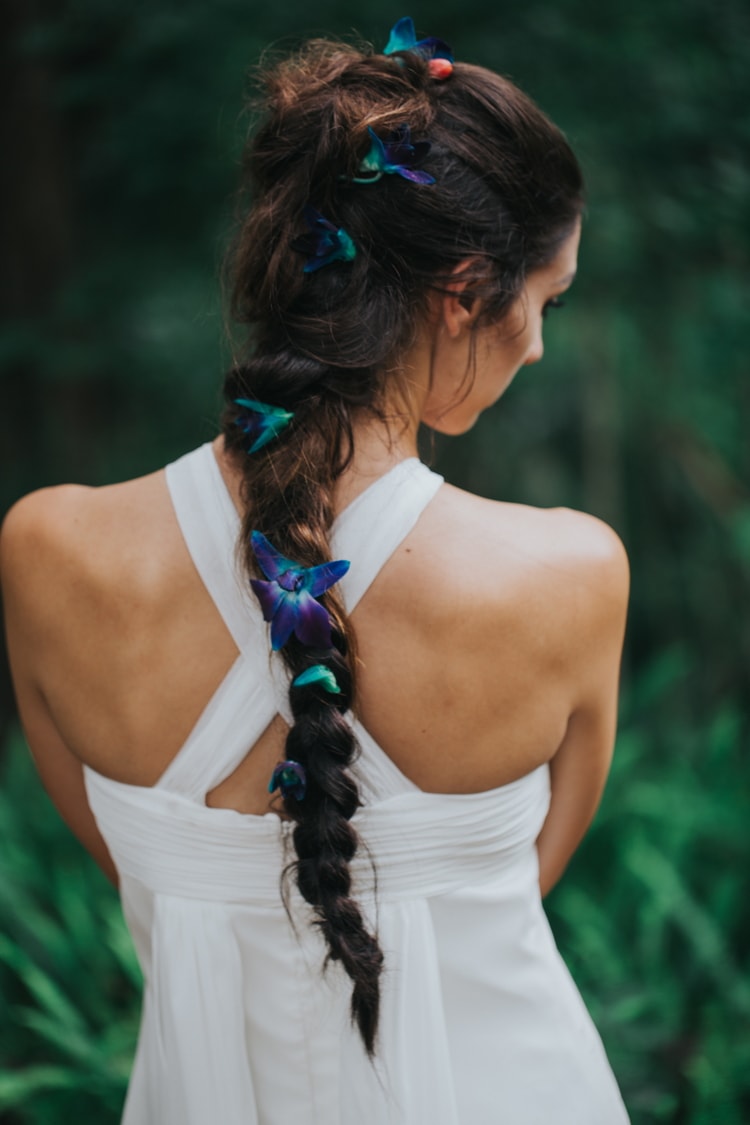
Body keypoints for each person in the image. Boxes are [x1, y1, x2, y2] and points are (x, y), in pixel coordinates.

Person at [0, 19, 631, 1125]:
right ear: (463, 288)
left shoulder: (47, 554)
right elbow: (525, 880)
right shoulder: (568, 575)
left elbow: (139, 887)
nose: (536, 344)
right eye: (546, 298)